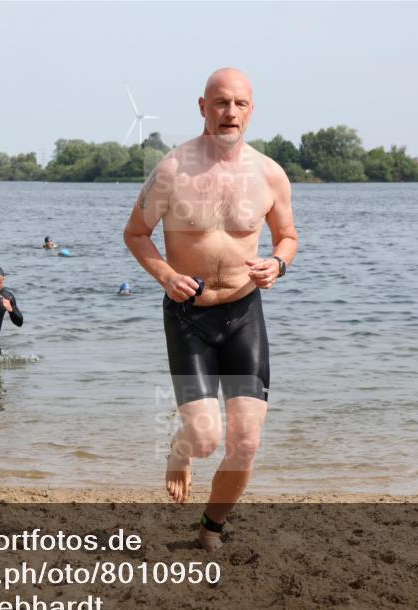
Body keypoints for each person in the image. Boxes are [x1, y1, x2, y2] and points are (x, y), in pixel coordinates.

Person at [123, 68, 298, 552]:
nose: (230, 113)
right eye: (221, 103)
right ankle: (180, 447)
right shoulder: (172, 170)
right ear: (202, 107)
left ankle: (210, 527)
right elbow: (135, 234)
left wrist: (278, 263)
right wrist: (165, 275)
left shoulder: (269, 174)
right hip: (189, 316)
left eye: (240, 104)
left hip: (244, 315)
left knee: (245, 443)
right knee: (204, 440)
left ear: (251, 110)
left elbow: (288, 236)